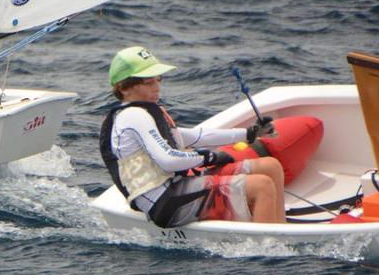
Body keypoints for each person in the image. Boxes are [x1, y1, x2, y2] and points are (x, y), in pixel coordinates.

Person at [99, 46, 286, 228]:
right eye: (149, 83)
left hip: (176, 185)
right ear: (124, 88)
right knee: (262, 186)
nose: (157, 88)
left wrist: (249, 134)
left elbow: (194, 136)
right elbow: (169, 160)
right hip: (163, 202)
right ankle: (270, 249)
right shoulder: (133, 115)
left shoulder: (144, 113)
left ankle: (280, 229)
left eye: (159, 80)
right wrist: (208, 157)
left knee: (271, 166)